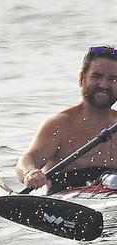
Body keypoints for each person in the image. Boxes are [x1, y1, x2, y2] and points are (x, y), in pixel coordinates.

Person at [16, 45, 117, 193]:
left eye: (113, 79)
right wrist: (29, 173)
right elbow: (27, 160)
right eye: (96, 76)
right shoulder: (59, 125)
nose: (104, 84)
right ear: (82, 79)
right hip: (65, 206)